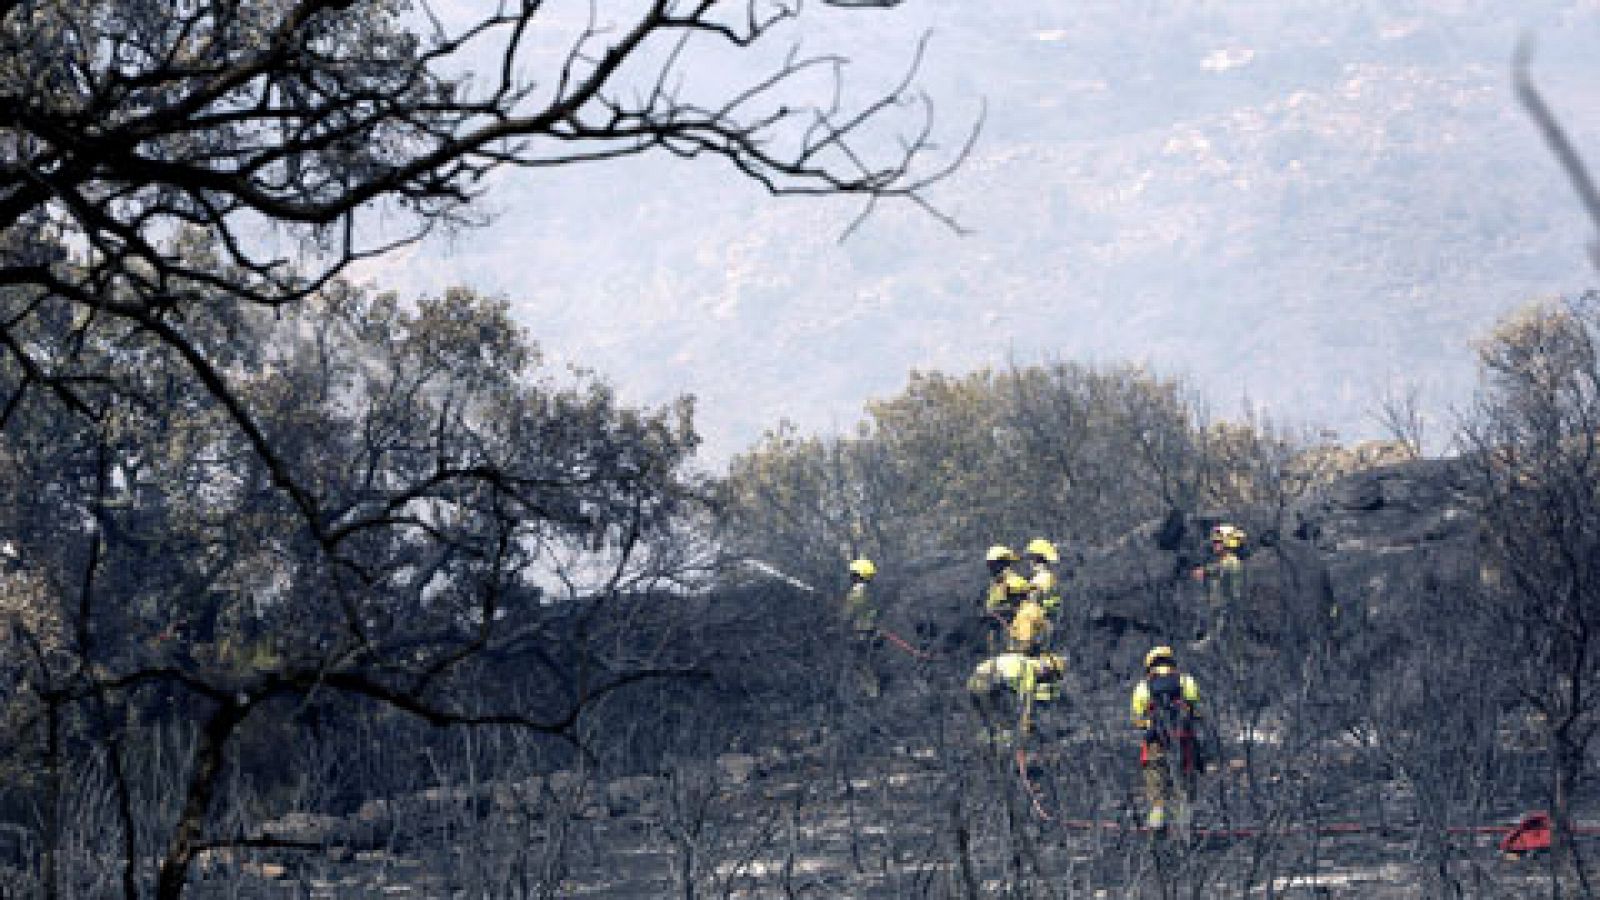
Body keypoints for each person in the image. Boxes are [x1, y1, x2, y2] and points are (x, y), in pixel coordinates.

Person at [1130, 646, 1204, 832]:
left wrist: (1151, 725)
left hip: (1155, 744)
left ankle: (1157, 829)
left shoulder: (1142, 687)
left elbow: (1137, 720)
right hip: (1184, 742)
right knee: (1184, 787)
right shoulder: (1187, 681)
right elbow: (1197, 711)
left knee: (1156, 786)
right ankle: (1185, 830)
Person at [968, 649, 1066, 746]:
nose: (1047, 680)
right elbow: (1026, 701)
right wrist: (1026, 723)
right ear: (1047, 669)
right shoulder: (1028, 669)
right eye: (1051, 677)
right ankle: (999, 749)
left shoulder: (1023, 661)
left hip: (976, 683)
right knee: (1006, 726)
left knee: (995, 724)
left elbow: (1022, 695)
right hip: (984, 684)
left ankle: (987, 744)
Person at [1191, 523, 1245, 655]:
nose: (1214, 545)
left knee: (1221, 639)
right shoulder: (1224, 561)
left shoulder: (1232, 561)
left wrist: (1205, 571)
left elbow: (1221, 569)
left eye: (1218, 542)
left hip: (1227, 609)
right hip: (1219, 608)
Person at [842, 558, 884, 696]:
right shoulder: (871, 591)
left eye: (853, 573)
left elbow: (846, 614)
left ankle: (872, 692)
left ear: (859, 575)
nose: (850, 576)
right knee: (864, 662)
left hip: (862, 633)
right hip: (871, 632)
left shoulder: (857, 592)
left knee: (860, 663)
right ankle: (869, 690)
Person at [1023, 537, 1062, 639]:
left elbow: (1033, 600)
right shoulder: (1049, 577)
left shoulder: (1042, 578)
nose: (1030, 562)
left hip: (1037, 626)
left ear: (1036, 559)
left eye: (1031, 558)